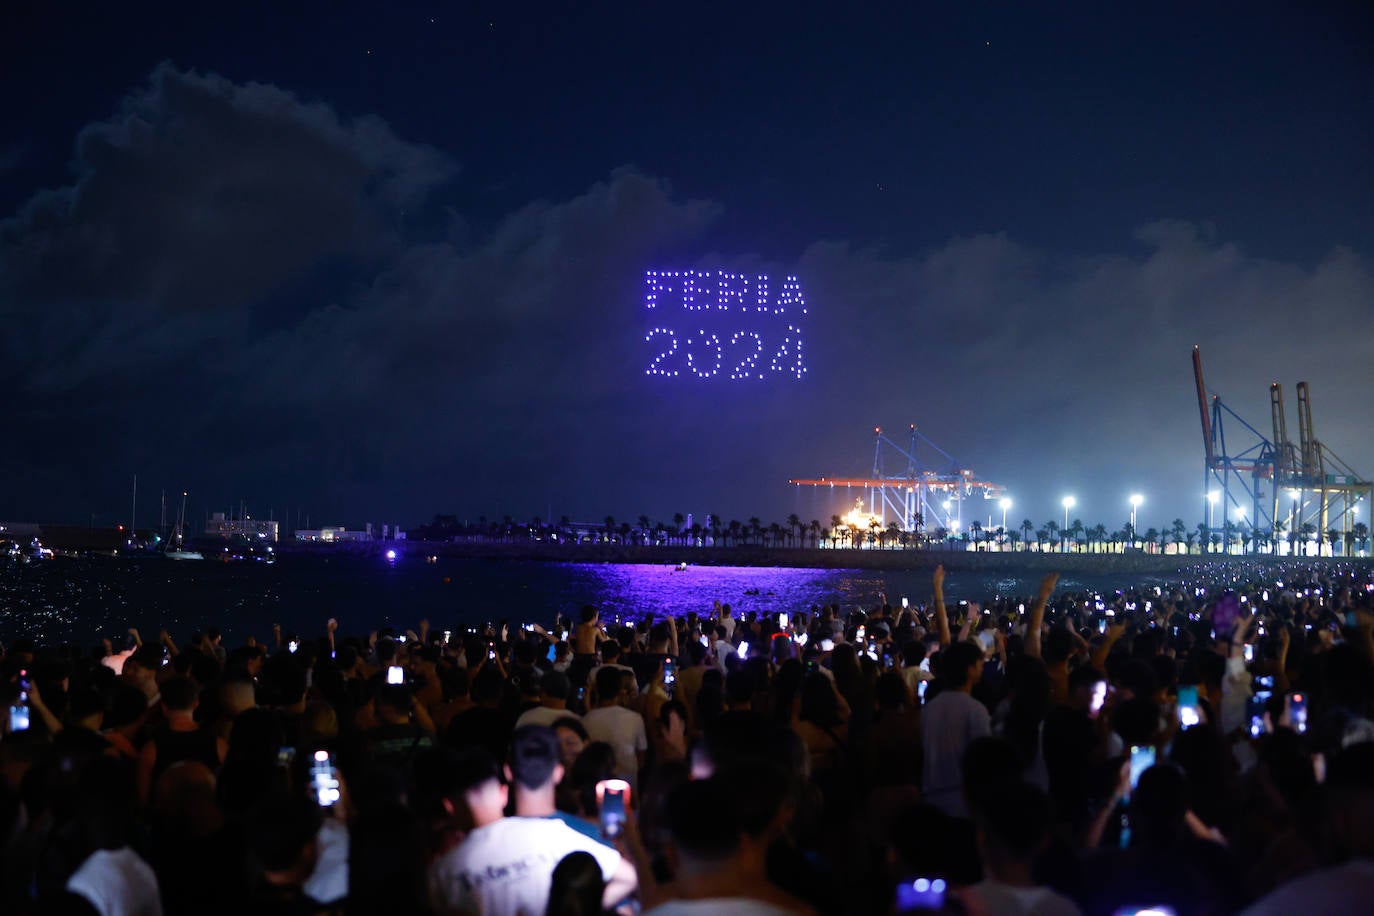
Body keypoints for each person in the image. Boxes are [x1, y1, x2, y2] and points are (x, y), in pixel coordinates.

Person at [428, 726, 636, 915]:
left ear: (508, 772)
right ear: (558, 773)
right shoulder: (562, 835)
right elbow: (629, 881)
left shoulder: (444, 868)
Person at [920, 640, 990, 818]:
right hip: (963, 799)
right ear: (969, 669)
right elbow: (983, 758)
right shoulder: (975, 710)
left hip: (931, 796)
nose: (982, 669)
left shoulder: (929, 709)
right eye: (980, 664)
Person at [583, 667, 648, 789]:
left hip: (595, 785)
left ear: (596, 689)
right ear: (619, 690)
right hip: (628, 785)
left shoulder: (586, 720)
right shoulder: (635, 718)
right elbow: (641, 757)